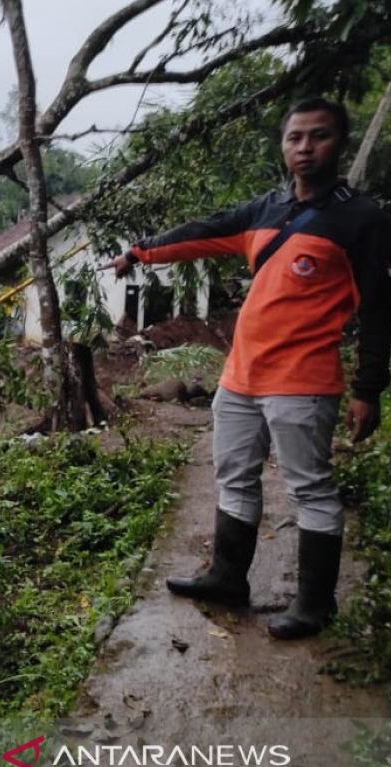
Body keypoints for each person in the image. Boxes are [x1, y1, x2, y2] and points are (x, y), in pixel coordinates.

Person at [106, 96, 391, 640]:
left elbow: (379, 308)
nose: (305, 147)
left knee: (310, 489)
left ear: (340, 142)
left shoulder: (362, 220)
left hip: (304, 380)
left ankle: (313, 605)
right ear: (283, 146)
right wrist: (139, 253)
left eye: (319, 136)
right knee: (232, 477)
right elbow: (200, 231)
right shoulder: (266, 209)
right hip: (240, 377)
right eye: (295, 137)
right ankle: (227, 576)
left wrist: (369, 388)